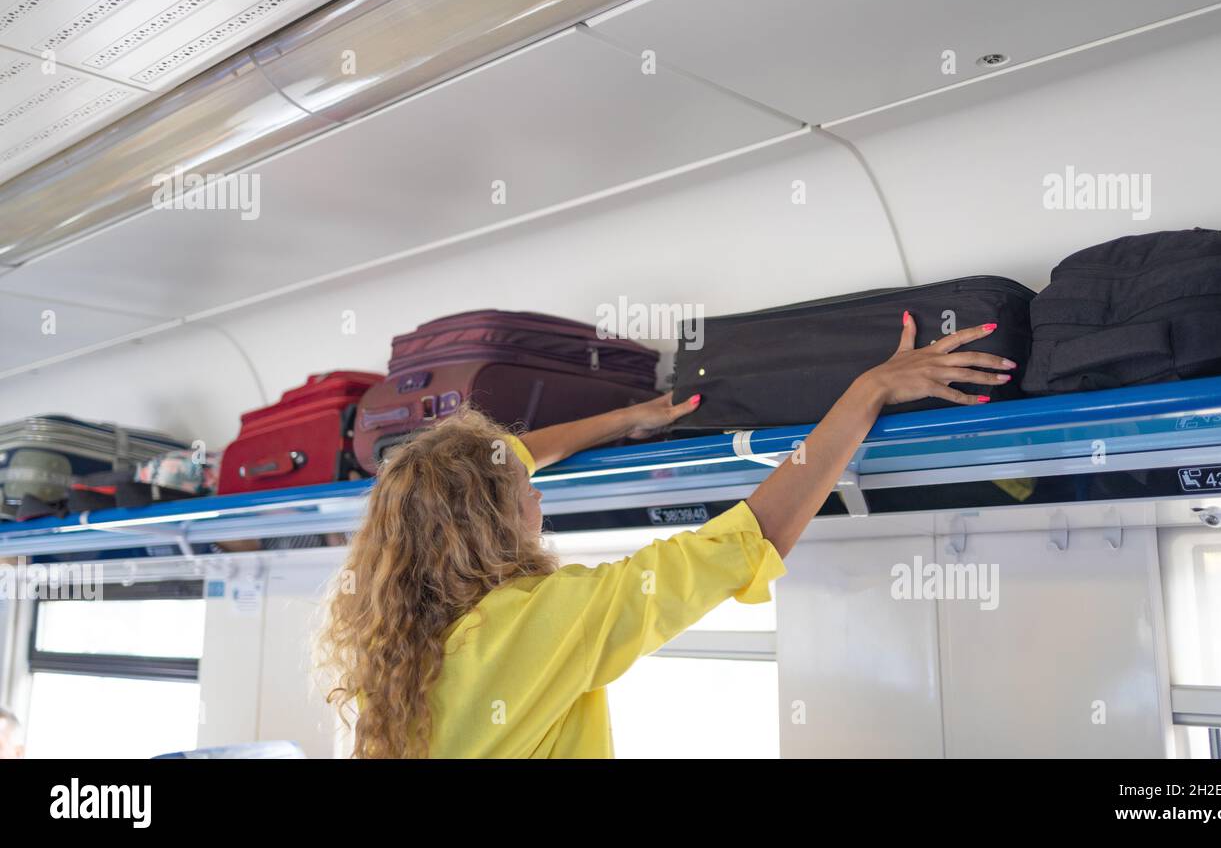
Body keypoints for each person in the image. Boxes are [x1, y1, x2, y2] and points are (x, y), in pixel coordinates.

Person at [319, 315, 1012, 757]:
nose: (533, 494)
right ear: (482, 525)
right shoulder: (531, 623)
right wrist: (868, 392)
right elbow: (746, 539)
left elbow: (514, 460)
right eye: (518, 494)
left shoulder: (409, 654)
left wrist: (627, 421)